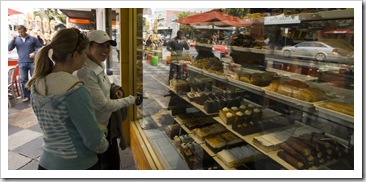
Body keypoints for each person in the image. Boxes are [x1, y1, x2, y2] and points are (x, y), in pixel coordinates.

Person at [25, 28, 109, 170]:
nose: (86, 56)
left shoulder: (36, 83)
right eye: (84, 53)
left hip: (46, 163)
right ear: (75, 55)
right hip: (78, 165)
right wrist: (104, 137)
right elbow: (94, 141)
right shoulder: (76, 91)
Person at [76, 30, 137, 170]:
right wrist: (130, 100)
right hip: (95, 129)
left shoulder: (98, 65)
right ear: (89, 47)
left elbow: (104, 87)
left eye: (108, 46)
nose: (106, 50)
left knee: (112, 161)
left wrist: (115, 89)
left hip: (106, 125)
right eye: (101, 46)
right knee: (105, 164)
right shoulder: (86, 71)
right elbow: (102, 105)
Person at [8, 25, 42, 102]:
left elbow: (40, 48)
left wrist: (34, 53)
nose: (21, 33)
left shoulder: (33, 39)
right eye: (19, 32)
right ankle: (27, 96)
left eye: (22, 32)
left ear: (25, 30)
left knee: (34, 79)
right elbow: (9, 48)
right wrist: (12, 40)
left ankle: (35, 95)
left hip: (32, 62)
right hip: (22, 63)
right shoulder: (16, 40)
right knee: (23, 80)